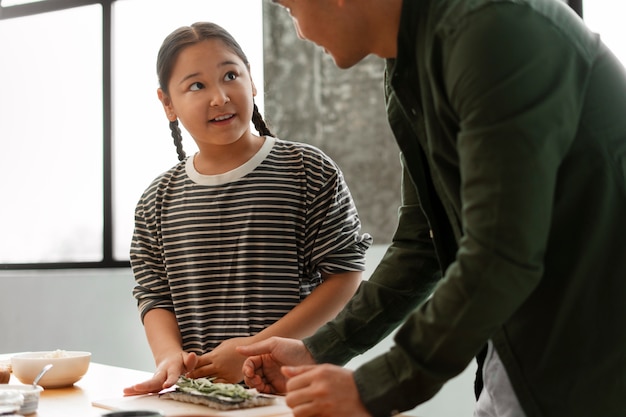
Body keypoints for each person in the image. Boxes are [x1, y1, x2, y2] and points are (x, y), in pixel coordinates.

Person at [237, 1, 626, 416]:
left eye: (290, 7)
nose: (297, 30)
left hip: (598, 364)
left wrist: (375, 388)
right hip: (526, 361)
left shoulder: (492, 27)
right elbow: (424, 240)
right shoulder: (409, 65)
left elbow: (501, 253)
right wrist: (321, 350)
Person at [123, 21, 372, 395]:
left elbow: (345, 276)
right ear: (168, 103)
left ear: (251, 81)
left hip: (292, 391)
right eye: (196, 85)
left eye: (230, 75)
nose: (220, 97)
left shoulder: (308, 169)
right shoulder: (156, 199)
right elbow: (155, 295)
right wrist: (169, 357)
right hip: (199, 395)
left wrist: (250, 351)